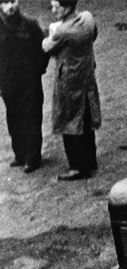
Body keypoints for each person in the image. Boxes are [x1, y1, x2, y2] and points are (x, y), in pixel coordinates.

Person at [42, 0, 100, 180]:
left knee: (69, 121)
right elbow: (93, 34)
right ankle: (90, 160)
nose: (53, 10)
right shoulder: (88, 18)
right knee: (87, 119)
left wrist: (51, 31)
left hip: (68, 81)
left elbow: (47, 47)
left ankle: (77, 166)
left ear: (66, 8)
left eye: (55, 6)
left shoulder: (62, 31)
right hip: (87, 76)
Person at [0, 0, 46, 173]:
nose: (10, 6)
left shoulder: (30, 25)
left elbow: (43, 49)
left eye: (13, 1)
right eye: (5, 3)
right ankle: (20, 154)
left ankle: (33, 157)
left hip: (29, 80)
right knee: (14, 117)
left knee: (32, 116)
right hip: (8, 81)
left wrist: (38, 70)